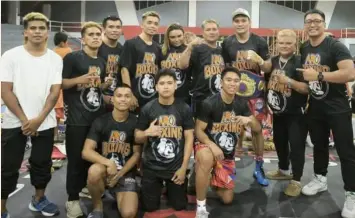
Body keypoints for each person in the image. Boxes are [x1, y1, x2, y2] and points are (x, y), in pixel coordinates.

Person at [1, 12, 62, 217]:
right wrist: (25, 120)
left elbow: (54, 92)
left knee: (42, 165)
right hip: (13, 121)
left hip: (44, 122)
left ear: (47, 33)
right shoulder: (10, 55)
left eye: (41, 28)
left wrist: (38, 120)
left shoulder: (54, 59)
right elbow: (5, 90)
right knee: (8, 167)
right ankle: (2, 209)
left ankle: (38, 200)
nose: (37, 31)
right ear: (25, 32)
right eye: (33, 28)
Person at [297, 9, 355, 218]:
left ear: (324, 24)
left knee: (346, 151)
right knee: (319, 146)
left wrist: (320, 75)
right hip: (316, 107)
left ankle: (352, 192)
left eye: (317, 21)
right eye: (309, 21)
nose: (312, 24)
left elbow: (350, 73)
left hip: (338, 107)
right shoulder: (304, 48)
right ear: (304, 25)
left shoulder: (335, 45)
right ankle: (320, 179)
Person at [194, 67, 262, 217]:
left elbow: (257, 129)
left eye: (236, 80)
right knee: (206, 158)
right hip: (207, 145)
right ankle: (200, 207)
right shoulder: (209, 103)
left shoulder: (242, 104)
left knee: (227, 199)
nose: (232, 83)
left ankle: (205, 177)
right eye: (229, 80)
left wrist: (249, 119)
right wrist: (212, 145)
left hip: (226, 154)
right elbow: (198, 130)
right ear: (221, 82)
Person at [62, 21, 112, 218]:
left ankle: (86, 188)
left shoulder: (101, 61)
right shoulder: (72, 57)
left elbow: (94, 90)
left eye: (98, 34)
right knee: (75, 161)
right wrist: (79, 80)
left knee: (93, 158)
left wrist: (104, 86)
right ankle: (72, 199)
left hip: (97, 119)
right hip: (77, 119)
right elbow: (62, 84)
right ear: (82, 39)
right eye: (90, 34)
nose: (95, 37)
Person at [221, 8, 270, 186]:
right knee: (230, 127)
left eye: (243, 20)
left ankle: (259, 166)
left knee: (257, 130)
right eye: (237, 21)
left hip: (256, 93)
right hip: (234, 93)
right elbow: (225, 68)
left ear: (249, 22)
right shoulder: (227, 42)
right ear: (233, 23)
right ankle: (228, 166)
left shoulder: (259, 41)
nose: (240, 23)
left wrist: (260, 61)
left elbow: (268, 68)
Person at [256, 29, 309, 197]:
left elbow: (307, 89)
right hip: (278, 113)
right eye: (281, 43)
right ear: (276, 44)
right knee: (279, 142)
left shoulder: (301, 61)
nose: (284, 46)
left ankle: (297, 180)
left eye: (288, 43)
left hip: (296, 114)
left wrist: (289, 81)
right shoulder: (273, 61)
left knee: (296, 146)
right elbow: (266, 83)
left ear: (295, 45)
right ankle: (284, 170)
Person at [135, 69, 195, 212]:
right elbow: (137, 137)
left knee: (180, 205)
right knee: (149, 207)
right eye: (162, 83)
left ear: (176, 85)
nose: (166, 86)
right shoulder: (148, 108)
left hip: (175, 168)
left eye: (169, 83)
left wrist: (183, 168)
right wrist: (147, 133)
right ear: (156, 87)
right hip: (152, 168)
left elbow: (189, 138)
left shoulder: (184, 108)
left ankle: (170, 188)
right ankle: (154, 187)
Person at [178, 19, 225, 193]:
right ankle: (195, 174)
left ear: (218, 31)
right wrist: (190, 46)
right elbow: (181, 65)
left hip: (220, 100)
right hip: (201, 99)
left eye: (215, 29)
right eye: (208, 29)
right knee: (200, 139)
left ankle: (216, 172)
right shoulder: (197, 49)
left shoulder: (222, 50)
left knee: (216, 136)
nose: (212, 32)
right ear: (203, 32)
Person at [82, 84, 141, 218]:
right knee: (94, 171)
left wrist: (119, 175)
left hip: (125, 173)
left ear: (132, 100)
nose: (123, 99)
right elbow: (86, 151)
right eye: (119, 96)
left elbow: (137, 154)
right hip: (105, 171)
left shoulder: (136, 122)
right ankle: (97, 208)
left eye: (127, 96)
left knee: (129, 213)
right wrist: (109, 163)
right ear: (112, 99)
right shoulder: (101, 121)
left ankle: (118, 192)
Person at [120, 11, 162, 113]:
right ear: (142, 25)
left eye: (156, 24)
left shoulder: (157, 47)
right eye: (149, 22)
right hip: (135, 96)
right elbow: (124, 69)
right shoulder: (131, 43)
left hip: (152, 97)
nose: (153, 26)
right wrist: (129, 94)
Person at [161, 23, 191, 105]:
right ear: (167, 38)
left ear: (183, 35)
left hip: (184, 94)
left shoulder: (189, 50)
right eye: (172, 37)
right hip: (165, 94)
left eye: (179, 36)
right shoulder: (161, 51)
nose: (177, 39)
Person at [98, 15, 124, 110]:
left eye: (118, 27)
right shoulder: (96, 48)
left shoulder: (123, 49)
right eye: (111, 27)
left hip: (117, 99)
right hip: (98, 98)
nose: (115, 30)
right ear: (104, 29)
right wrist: (102, 95)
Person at [53, 31, 72, 141]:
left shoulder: (53, 52)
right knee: (66, 112)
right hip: (65, 84)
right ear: (62, 43)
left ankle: (55, 135)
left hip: (55, 86)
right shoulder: (67, 51)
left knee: (55, 114)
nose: (68, 44)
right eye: (66, 42)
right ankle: (66, 135)